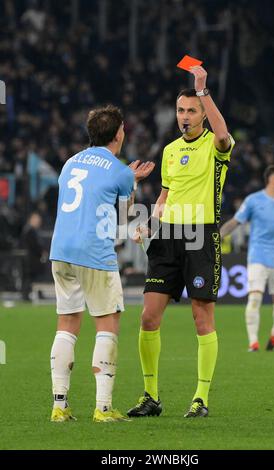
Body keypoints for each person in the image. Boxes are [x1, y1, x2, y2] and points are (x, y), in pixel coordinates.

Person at [127, 66, 235, 419]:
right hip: (168, 237)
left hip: (201, 236)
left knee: (202, 319)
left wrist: (202, 90)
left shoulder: (217, 145)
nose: (184, 116)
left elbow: (223, 133)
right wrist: (149, 223)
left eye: (191, 110)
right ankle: (150, 396)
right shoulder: (171, 151)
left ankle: (201, 398)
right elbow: (165, 195)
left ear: (203, 113)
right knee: (147, 317)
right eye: (180, 110)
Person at [49, 105, 155, 423]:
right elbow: (124, 217)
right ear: (119, 133)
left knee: (67, 325)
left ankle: (59, 405)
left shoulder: (70, 163)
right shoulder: (120, 169)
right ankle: (104, 408)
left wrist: (123, 178)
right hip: (93, 252)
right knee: (107, 326)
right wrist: (131, 182)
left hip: (60, 250)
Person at [220, 165, 274, 352]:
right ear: (272, 179)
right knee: (254, 297)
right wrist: (218, 235)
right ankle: (253, 343)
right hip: (257, 256)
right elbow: (235, 222)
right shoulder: (253, 200)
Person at [20, 211, 47, 301]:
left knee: (30, 278)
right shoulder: (30, 230)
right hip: (30, 259)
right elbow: (34, 245)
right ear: (31, 219)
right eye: (36, 219)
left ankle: (27, 295)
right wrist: (41, 252)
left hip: (29, 259)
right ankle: (26, 295)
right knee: (28, 277)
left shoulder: (30, 230)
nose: (38, 221)